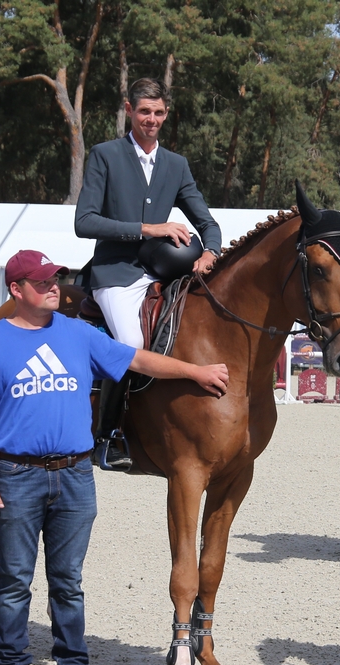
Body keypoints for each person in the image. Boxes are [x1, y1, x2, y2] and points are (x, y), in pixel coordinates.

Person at [0, 250, 230, 665]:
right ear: (16, 290)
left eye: (55, 279)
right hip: (16, 474)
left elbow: (138, 360)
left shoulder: (79, 333)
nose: (54, 287)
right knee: (14, 582)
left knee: (68, 583)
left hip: (74, 477)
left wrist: (195, 371)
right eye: (43, 282)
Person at [75, 78, 220, 469]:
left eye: (158, 113)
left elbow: (207, 222)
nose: (151, 120)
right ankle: (108, 436)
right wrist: (149, 228)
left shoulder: (176, 164)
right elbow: (84, 221)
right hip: (115, 272)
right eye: (144, 112)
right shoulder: (105, 155)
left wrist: (211, 252)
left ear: (166, 114)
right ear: (129, 110)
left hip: (162, 273)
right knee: (131, 344)